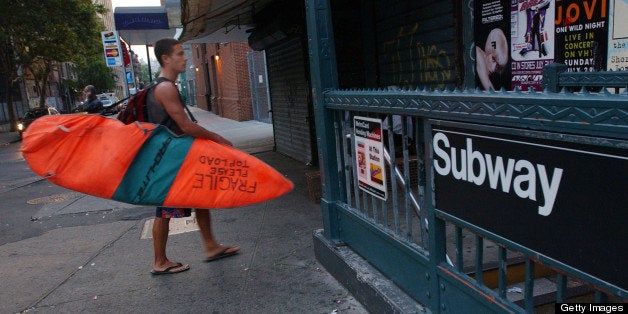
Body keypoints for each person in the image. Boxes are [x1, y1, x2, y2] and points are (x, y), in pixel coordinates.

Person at [148, 38, 240, 275]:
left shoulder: (167, 86)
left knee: (201, 198)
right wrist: (218, 138)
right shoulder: (165, 88)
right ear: (165, 59)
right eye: (179, 54)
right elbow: (186, 126)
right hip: (169, 160)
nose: (185, 57)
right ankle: (159, 261)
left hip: (176, 157)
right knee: (165, 210)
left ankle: (210, 246)